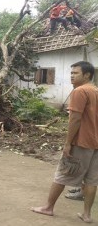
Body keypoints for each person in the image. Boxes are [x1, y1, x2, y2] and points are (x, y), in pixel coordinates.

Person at [31, 61, 98, 223]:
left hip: (81, 142)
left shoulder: (80, 91)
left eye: (75, 73)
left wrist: (68, 143)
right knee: (91, 179)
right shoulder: (95, 90)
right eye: (71, 73)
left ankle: (48, 207)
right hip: (95, 143)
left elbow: (75, 119)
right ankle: (87, 215)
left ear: (87, 75)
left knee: (62, 174)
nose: (72, 76)